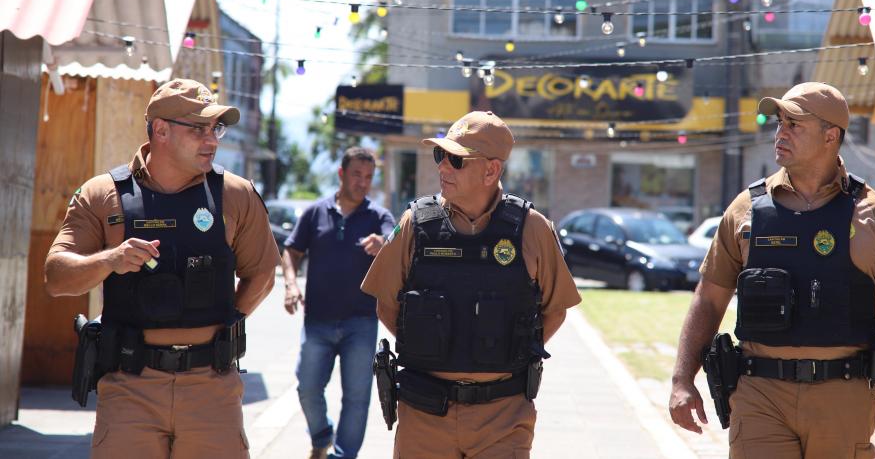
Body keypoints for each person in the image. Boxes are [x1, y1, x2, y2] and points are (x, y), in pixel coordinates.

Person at [668, 82, 875, 458]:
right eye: (779, 121)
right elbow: (708, 298)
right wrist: (682, 380)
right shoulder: (745, 210)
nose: (780, 132)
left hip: (842, 396)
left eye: (794, 124)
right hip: (760, 394)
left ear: (831, 135)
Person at [44, 79, 279, 458]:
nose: (212, 140)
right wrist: (110, 260)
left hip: (212, 387)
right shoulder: (103, 195)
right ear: (161, 130)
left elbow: (263, 274)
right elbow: (56, 277)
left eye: (215, 128)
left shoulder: (236, 195)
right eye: (199, 129)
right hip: (129, 386)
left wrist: (223, 325)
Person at [361, 110, 581, 458]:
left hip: (503, 416)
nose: (443, 167)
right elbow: (386, 304)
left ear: (491, 170)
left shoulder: (532, 228)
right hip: (424, 415)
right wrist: (433, 347)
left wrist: (507, 351)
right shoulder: (414, 223)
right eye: (440, 156)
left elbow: (555, 310)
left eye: (456, 160)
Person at [281, 147, 394, 459]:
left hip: (362, 322)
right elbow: (291, 251)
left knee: (357, 397)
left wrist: (384, 244)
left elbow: (397, 242)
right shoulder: (316, 212)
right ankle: (321, 435)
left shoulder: (379, 216)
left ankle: (342, 455)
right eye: (357, 174)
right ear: (342, 174)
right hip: (317, 321)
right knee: (307, 387)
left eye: (369, 177)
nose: (363, 182)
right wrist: (290, 285)